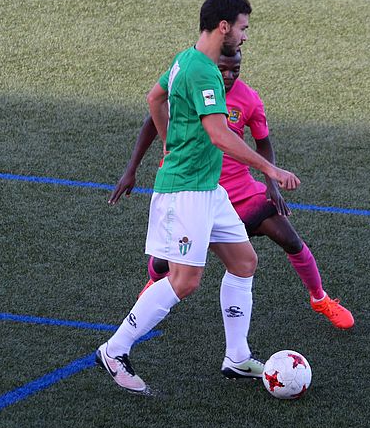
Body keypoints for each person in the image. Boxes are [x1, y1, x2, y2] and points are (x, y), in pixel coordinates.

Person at [96, 0, 300, 393]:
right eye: (242, 28)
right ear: (223, 27)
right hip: (185, 192)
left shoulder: (185, 59)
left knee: (244, 262)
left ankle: (237, 358)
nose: (245, 36)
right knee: (184, 281)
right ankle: (114, 350)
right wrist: (270, 169)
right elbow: (219, 134)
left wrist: (168, 140)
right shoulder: (204, 72)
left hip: (208, 189)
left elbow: (155, 97)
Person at [109, 49, 355, 330]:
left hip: (240, 191)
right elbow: (152, 119)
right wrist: (131, 169)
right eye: (223, 68)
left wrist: (271, 184)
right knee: (165, 261)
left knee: (290, 240)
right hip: (193, 190)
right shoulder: (194, 82)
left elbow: (264, 145)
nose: (228, 75)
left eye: (235, 70)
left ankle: (319, 298)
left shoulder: (249, 98)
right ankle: (153, 285)